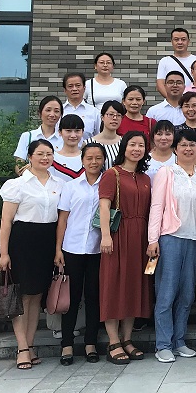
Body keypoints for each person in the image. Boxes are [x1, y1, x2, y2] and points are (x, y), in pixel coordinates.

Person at [0, 139, 63, 370]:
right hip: (22, 241)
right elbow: (6, 222)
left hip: (46, 240)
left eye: (49, 154)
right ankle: (22, 348)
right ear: (30, 156)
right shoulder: (17, 185)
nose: (45, 158)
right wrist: (4, 253)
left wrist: (57, 249)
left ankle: (31, 344)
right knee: (23, 296)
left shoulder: (59, 183)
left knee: (37, 296)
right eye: (40, 154)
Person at [148, 130, 196, 362]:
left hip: (195, 238)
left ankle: (179, 340)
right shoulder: (167, 172)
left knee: (187, 294)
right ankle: (163, 344)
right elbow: (157, 206)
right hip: (170, 237)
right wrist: (152, 239)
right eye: (183, 145)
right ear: (175, 148)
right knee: (167, 292)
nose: (188, 149)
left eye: (193, 145)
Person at [98, 131, 153, 364]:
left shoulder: (145, 177)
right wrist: (105, 236)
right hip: (118, 235)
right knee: (113, 285)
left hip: (141, 237)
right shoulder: (112, 174)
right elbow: (104, 206)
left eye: (141, 145)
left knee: (133, 286)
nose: (136, 149)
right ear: (124, 147)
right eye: (132, 144)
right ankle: (113, 341)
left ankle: (127, 339)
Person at [55, 143, 106, 365]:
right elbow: (63, 220)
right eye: (89, 158)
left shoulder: (108, 185)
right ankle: (67, 344)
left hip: (97, 249)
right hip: (72, 248)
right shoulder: (71, 186)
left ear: (103, 160)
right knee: (72, 298)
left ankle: (90, 343)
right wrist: (58, 249)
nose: (94, 162)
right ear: (82, 160)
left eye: (98, 158)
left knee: (94, 297)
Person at [13, 96, 63, 173]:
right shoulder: (27, 136)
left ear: (61, 115)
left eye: (56, 111)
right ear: (40, 113)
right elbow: (19, 167)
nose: (52, 114)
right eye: (48, 110)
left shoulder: (64, 138)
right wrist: (31, 168)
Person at [157, 27, 196, 99]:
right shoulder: (164, 61)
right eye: (176, 39)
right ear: (171, 41)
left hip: (192, 102)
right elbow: (160, 84)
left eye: (183, 39)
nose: (180, 42)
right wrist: (172, 100)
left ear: (188, 41)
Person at [63, 72, 101, 138]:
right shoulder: (59, 111)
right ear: (65, 90)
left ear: (84, 88)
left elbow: (99, 136)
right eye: (70, 86)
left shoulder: (94, 112)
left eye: (78, 85)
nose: (74, 89)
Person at [89, 101, 124, 169]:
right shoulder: (89, 142)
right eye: (111, 114)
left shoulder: (124, 142)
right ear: (102, 117)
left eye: (118, 115)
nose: (115, 118)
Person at [51, 114, 86, 182]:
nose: (73, 135)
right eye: (68, 131)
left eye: (77, 131)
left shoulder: (88, 158)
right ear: (60, 132)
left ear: (82, 132)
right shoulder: (53, 159)